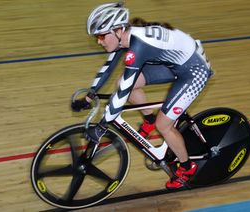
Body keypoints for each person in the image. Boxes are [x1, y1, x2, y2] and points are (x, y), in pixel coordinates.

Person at [71, 2, 212, 190]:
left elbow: (123, 92)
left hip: (194, 71)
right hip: (173, 63)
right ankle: (149, 119)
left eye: (101, 35)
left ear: (118, 30)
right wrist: (89, 96)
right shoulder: (125, 37)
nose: (99, 41)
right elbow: (108, 69)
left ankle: (187, 167)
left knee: (164, 125)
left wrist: (103, 125)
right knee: (123, 81)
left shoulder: (139, 46)